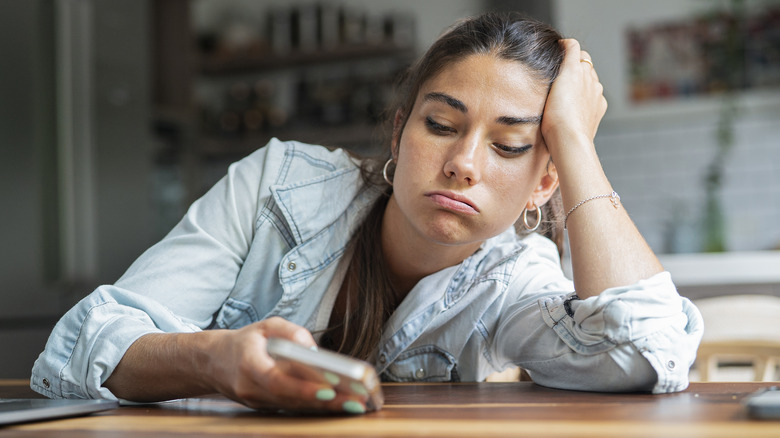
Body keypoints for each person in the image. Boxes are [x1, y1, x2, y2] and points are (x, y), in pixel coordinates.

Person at [31, 12, 703, 414]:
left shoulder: (516, 276)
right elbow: (80, 347)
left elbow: (647, 353)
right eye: (441, 125)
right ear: (398, 135)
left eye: (509, 145)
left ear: (542, 182)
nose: (465, 162)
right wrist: (215, 361)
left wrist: (578, 146)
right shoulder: (278, 185)